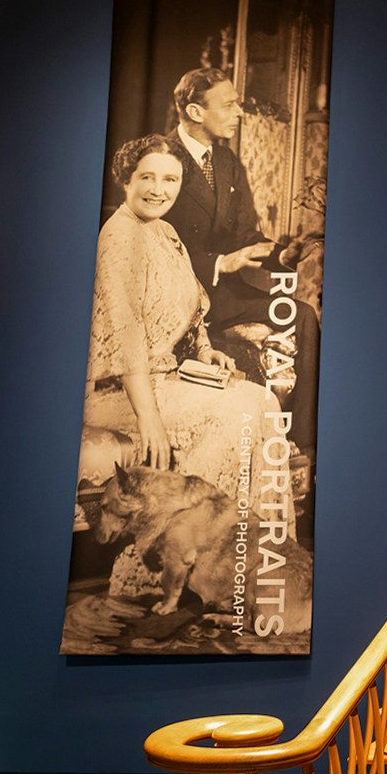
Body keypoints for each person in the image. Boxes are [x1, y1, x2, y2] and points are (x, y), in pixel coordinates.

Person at [81, 134, 291, 534]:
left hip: (164, 378)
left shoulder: (164, 232)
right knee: (238, 414)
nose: (159, 191)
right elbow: (126, 336)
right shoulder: (119, 237)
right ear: (126, 179)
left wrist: (205, 349)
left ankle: (241, 554)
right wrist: (149, 419)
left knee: (260, 401)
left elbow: (193, 304)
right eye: (148, 177)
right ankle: (190, 546)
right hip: (120, 391)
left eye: (171, 180)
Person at [161, 67, 320, 452]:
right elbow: (156, 245)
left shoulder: (228, 161)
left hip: (223, 295)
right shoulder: (162, 158)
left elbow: (246, 235)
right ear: (196, 112)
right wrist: (220, 263)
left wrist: (282, 253)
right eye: (229, 104)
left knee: (303, 315)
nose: (240, 112)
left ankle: (302, 446)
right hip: (176, 297)